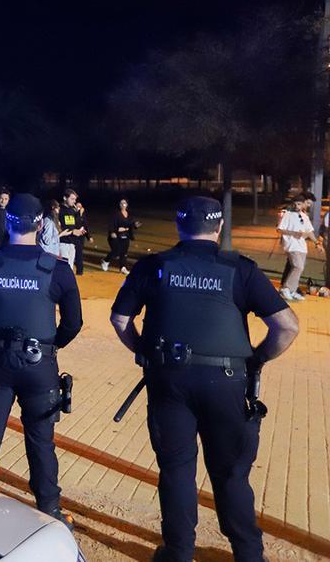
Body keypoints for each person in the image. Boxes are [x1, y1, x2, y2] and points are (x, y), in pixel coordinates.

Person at [110, 196, 299, 562]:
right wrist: (256, 359)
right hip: (227, 381)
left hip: (168, 381)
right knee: (230, 474)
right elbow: (287, 326)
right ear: (219, 227)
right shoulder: (240, 269)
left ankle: (179, 552)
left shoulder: (154, 266)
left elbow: (120, 320)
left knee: (177, 469)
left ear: (179, 226)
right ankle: (248, 553)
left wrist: (143, 352)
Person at [0, 194, 82, 528]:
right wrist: (50, 345)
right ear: (41, 224)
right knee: (41, 440)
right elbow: (73, 323)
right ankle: (49, 508)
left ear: (7, 222)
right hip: (39, 364)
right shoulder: (56, 268)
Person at [277, 192, 317, 301]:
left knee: (299, 268)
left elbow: (309, 231)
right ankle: (286, 288)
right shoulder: (287, 214)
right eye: (296, 204)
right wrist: (294, 233)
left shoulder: (305, 216)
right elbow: (279, 229)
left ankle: (292, 290)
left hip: (302, 247)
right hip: (292, 246)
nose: (297, 206)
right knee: (297, 266)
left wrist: (317, 243)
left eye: (299, 204)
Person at [102, 198, 138, 274]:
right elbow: (111, 224)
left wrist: (135, 225)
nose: (123, 205)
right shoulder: (116, 214)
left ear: (127, 205)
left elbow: (131, 224)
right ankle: (105, 261)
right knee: (116, 251)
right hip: (116, 236)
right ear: (119, 205)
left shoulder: (129, 214)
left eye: (124, 203)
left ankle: (123, 267)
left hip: (126, 235)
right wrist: (113, 232)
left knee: (124, 252)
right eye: (121, 203)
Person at [58, 189, 86, 274]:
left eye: (75, 199)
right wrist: (72, 231)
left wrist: (80, 230)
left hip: (72, 242)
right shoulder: (59, 210)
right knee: (63, 268)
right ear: (65, 198)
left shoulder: (72, 211)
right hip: (62, 242)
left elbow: (75, 225)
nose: (74, 201)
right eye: (72, 199)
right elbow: (58, 227)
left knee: (69, 268)